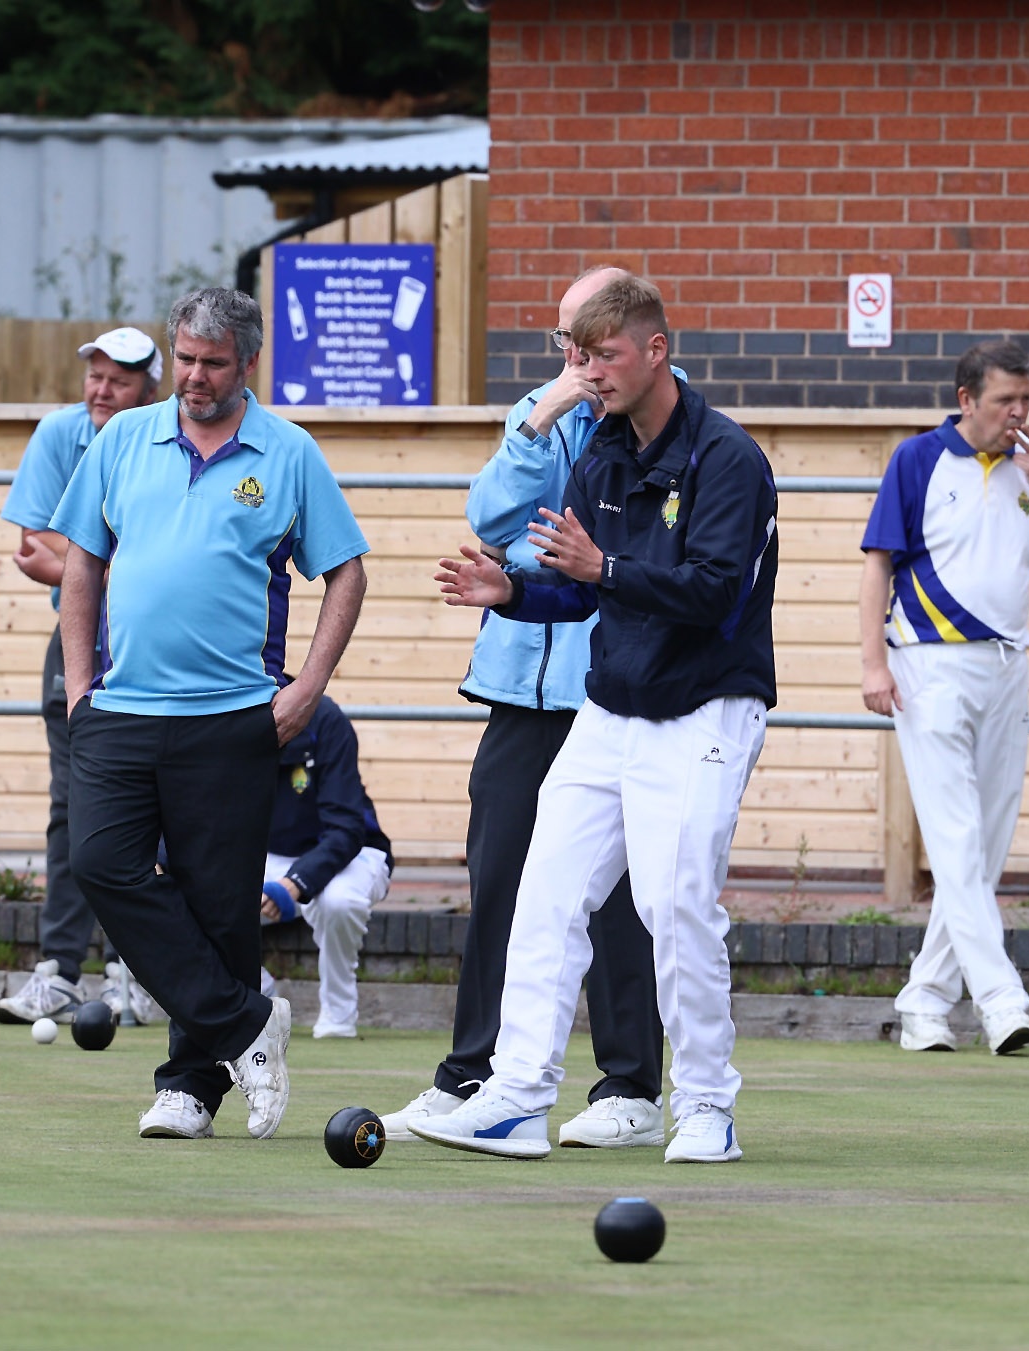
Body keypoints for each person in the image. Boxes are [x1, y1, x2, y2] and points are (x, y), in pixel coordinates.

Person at [418, 274, 777, 1164]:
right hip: (610, 709)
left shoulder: (730, 458)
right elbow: (572, 590)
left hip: (705, 710)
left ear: (657, 350)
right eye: (578, 357)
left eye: (606, 355)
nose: (592, 374)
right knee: (545, 896)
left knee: (673, 904)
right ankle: (514, 1096)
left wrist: (600, 569)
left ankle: (704, 1106)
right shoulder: (602, 450)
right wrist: (512, 591)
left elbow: (715, 596)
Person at [50, 288, 368, 1142]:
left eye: (212, 363)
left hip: (233, 714)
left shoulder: (290, 453)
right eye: (185, 359)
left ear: (248, 365)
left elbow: (346, 573)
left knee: (219, 905)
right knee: (100, 863)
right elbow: (81, 566)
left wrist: (308, 686)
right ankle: (244, 1025)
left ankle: (189, 1087)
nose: (194, 377)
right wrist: (79, 687)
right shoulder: (121, 438)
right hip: (117, 708)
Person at [379, 267, 669, 1151]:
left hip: (611, 687)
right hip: (517, 684)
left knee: (617, 893)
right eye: (565, 344)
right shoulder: (541, 415)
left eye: (591, 344)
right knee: (499, 876)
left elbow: (617, 551)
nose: (578, 360)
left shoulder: (664, 420)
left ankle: (628, 1086)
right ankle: (473, 1074)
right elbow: (492, 516)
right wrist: (539, 418)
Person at [858, 339, 1029, 1057]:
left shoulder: (1027, 472)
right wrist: (872, 663)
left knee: (984, 841)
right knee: (955, 835)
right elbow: (878, 565)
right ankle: (1000, 998)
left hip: (1006, 665)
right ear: (966, 400)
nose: (1017, 413)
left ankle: (925, 1000)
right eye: (1003, 401)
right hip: (928, 665)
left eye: (1025, 400)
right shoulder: (917, 460)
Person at [0, 327, 162, 1028]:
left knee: (157, 815)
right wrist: (126, 571)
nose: (100, 390)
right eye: (94, 375)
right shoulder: (61, 431)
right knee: (71, 809)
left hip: (156, 653)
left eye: (118, 380)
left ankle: (138, 973)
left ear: (152, 387)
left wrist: (86, 565)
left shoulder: (169, 434)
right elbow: (33, 546)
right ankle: (59, 971)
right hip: (78, 645)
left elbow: (155, 561)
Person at [255, 695, 392, 1039]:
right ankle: (257, 995)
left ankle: (338, 1015)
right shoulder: (220, 715)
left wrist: (293, 884)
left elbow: (346, 828)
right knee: (186, 893)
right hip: (267, 856)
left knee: (338, 901)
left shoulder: (326, 718)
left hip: (355, 852)